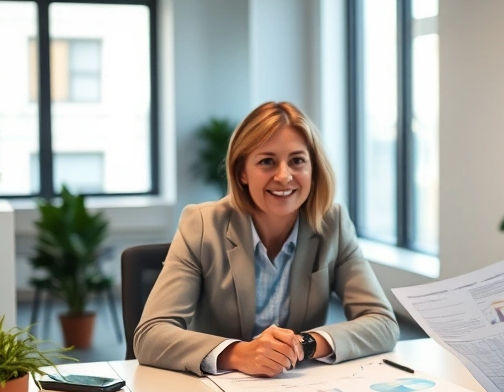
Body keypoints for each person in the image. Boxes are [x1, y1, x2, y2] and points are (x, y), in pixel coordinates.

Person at [135, 101, 399, 376]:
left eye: (297, 161)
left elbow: (382, 323)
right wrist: (239, 353)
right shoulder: (201, 224)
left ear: (313, 169)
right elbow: (150, 336)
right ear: (242, 173)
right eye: (267, 162)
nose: (284, 176)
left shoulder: (332, 223)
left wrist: (304, 345)